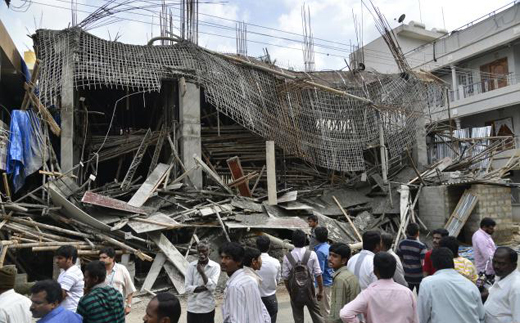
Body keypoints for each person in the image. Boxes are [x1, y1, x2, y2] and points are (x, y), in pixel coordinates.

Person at [340, 252, 418, 323]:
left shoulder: (368, 293)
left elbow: (345, 314)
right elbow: (415, 319)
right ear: (394, 270)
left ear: (374, 270)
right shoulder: (407, 293)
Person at [417, 247, 485, 323]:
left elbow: (421, 317)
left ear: (433, 264)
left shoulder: (427, 283)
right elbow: (481, 316)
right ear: (453, 262)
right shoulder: (471, 286)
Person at [219, 242, 270, 323]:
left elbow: (237, 320)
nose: (222, 261)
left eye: (227, 258)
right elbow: (263, 310)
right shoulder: (250, 279)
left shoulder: (235, 286)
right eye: (221, 257)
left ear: (238, 261)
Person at [283, 229, 324, 323]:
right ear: (305, 240)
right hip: (310, 291)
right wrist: (321, 291)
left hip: (295, 293)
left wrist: (290, 292)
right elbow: (318, 274)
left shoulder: (287, 257)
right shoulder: (312, 254)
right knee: (318, 317)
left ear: (293, 241)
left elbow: (285, 277)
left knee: (298, 318)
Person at [185, 242, 221, 323]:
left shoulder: (215, 267)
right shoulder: (191, 266)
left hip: (207, 308)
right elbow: (187, 288)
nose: (201, 254)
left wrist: (202, 273)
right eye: (199, 251)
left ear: (210, 251)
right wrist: (206, 287)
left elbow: (212, 288)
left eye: (204, 251)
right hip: (192, 308)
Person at [484, 247, 520, 323]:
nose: (496, 266)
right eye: (494, 262)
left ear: (514, 265)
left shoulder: (516, 286)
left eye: (502, 263)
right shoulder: (501, 275)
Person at [328, 243, 359, 323]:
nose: (330, 258)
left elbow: (337, 313)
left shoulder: (340, 279)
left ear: (344, 260)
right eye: (330, 255)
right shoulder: (350, 275)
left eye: (335, 256)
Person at [99, 247, 135, 315]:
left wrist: (129, 306)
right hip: (102, 309)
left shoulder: (121, 269)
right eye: (100, 257)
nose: (101, 260)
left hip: (118, 308)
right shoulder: (98, 270)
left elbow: (130, 289)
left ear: (112, 258)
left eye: (104, 257)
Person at [256, 235, 281, 323]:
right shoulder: (276, 262)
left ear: (257, 246)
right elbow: (278, 279)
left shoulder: (252, 263)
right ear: (269, 246)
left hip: (256, 297)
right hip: (271, 297)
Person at [396, 223, 427, 292]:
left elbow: (399, 260)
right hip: (418, 277)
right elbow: (423, 264)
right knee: (420, 298)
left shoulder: (401, 244)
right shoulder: (422, 246)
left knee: (406, 297)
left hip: (406, 276)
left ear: (407, 232)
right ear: (418, 233)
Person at [55, 245, 84, 312]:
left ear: (70, 259)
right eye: (57, 258)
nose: (57, 261)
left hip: (71, 311)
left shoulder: (71, 273)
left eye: (60, 258)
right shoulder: (65, 272)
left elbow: (61, 294)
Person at [314, 227, 334, 317]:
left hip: (324, 283)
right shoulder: (329, 247)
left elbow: (319, 272)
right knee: (327, 308)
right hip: (329, 281)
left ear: (315, 238)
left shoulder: (319, 252)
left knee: (324, 311)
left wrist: (320, 290)